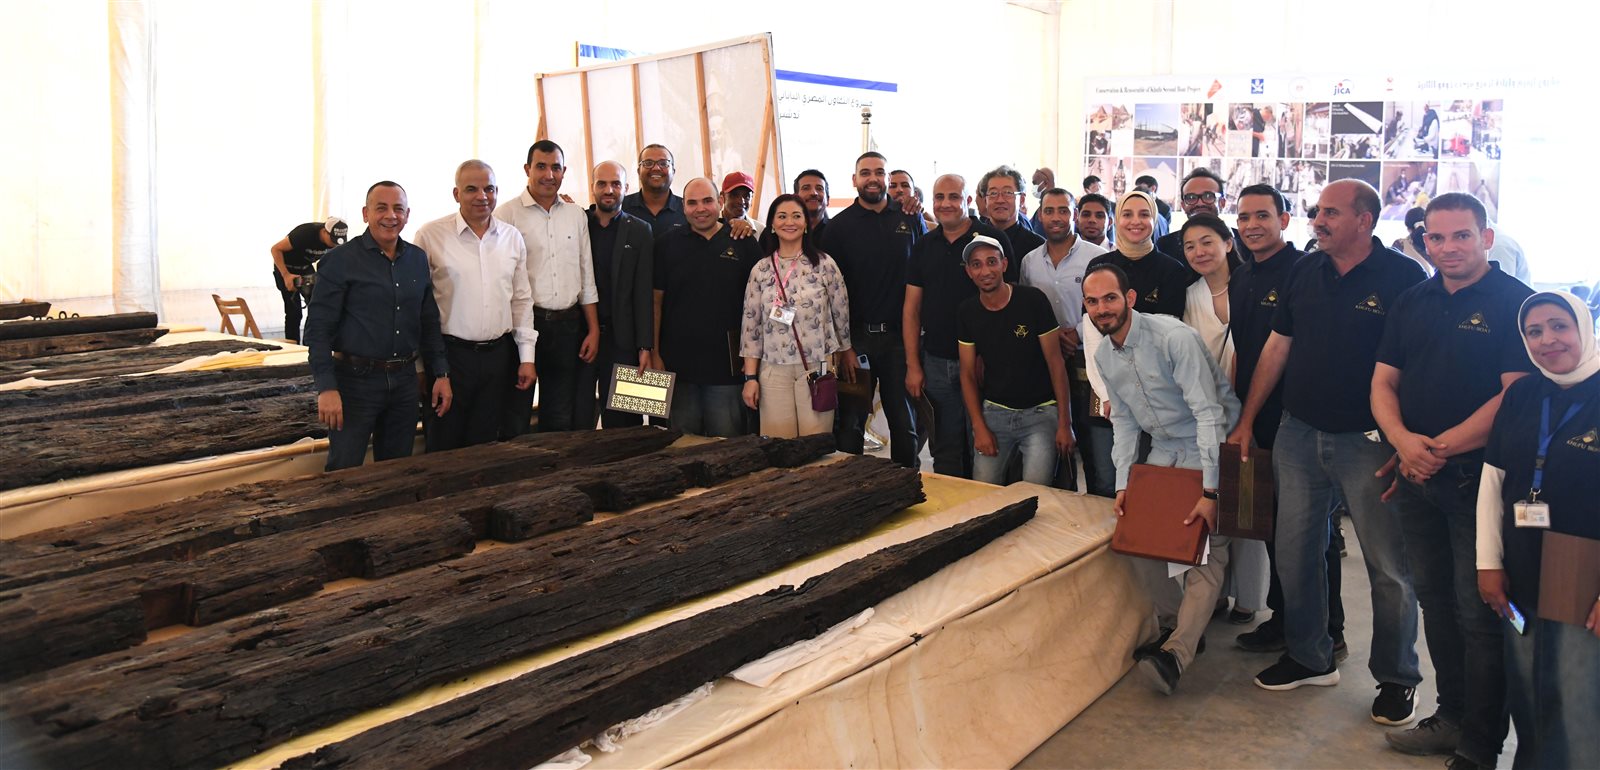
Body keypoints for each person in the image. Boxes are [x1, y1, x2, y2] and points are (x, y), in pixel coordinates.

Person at [1227, 180, 1426, 727]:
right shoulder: (1305, 270)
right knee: (1295, 552)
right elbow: (1277, 347)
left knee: (1388, 567)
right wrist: (1248, 420)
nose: (1318, 220)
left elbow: (1418, 364)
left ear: (1365, 219)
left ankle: (1398, 678)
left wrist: (1404, 438)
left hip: (1369, 442)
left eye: (1331, 212)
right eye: (1317, 211)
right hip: (1297, 433)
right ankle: (1311, 657)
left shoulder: (1404, 278)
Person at [1371, 193, 1533, 768]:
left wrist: (1433, 450)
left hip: (1479, 483)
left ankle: (1481, 743)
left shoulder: (1516, 302)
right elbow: (1383, 382)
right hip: (1418, 480)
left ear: (1486, 238)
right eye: (1435, 238)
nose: (1447, 248)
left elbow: (1514, 394)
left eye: (1461, 235)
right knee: (1436, 603)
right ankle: (1452, 715)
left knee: (1480, 612)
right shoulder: (1413, 300)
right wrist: (1403, 443)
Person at [1086, 263, 1240, 695]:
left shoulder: (1173, 338)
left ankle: (1177, 654)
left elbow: (1209, 414)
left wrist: (1211, 491)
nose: (1102, 309)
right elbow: (1124, 423)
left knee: (1205, 549)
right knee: (1140, 539)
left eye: (1110, 298)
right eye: (1092, 302)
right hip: (1163, 448)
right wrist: (1124, 485)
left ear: (1130, 298)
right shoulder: (1104, 356)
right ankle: (1176, 628)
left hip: (1208, 443)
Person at [1477, 291, 1600, 770]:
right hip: (1520, 564)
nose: (1547, 340)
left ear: (1583, 327)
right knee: (1525, 685)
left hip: (1584, 572)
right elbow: (1493, 481)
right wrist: (1488, 563)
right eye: (1534, 331)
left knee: (1576, 693)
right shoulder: (1523, 394)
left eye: (1559, 326)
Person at [1228, 184, 1348, 661]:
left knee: (1312, 532)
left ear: (1283, 219)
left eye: (1262, 215)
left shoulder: (1305, 271)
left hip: (1296, 420)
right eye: (1244, 217)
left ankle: (1330, 631)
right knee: (1273, 526)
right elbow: (1244, 348)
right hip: (1252, 418)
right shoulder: (1241, 277)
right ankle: (1284, 619)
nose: (1252, 225)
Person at [304, 181, 450, 471]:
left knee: (395, 470)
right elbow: (318, 330)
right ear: (365, 213)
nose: (390, 216)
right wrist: (326, 388)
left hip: (405, 382)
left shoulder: (417, 259)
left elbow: (428, 323)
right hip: (355, 383)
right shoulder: (339, 260)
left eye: (398, 209)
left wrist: (441, 373)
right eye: (381, 208)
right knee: (345, 470)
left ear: (407, 214)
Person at [412, 160, 536, 451]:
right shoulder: (430, 236)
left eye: (489, 189)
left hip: (500, 356)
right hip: (449, 357)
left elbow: (520, 299)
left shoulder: (512, 237)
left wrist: (527, 356)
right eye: (472, 189)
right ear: (456, 194)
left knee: (486, 443)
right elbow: (417, 306)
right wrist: (420, 365)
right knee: (444, 442)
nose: (482, 196)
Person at [904, 173, 1014, 478]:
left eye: (954, 197)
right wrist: (913, 365)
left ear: (967, 200)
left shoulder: (991, 240)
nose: (946, 204)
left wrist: (995, 357)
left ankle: (985, 503)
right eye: (939, 197)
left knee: (986, 443)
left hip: (983, 362)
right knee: (945, 446)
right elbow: (911, 310)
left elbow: (1009, 304)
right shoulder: (924, 246)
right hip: (937, 362)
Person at [823, 152, 924, 467]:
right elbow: (830, 294)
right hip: (857, 341)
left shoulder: (909, 218)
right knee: (850, 425)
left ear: (887, 179)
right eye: (865, 173)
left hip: (899, 340)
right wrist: (844, 346)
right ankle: (849, 487)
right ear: (854, 180)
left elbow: (923, 275)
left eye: (879, 172)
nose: (872, 178)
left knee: (904, 423)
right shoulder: (838, 227)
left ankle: (905, 483)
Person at [495, 140, 599, 435]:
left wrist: (592, 330)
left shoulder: (576, 215)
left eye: (556, 167)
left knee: (560, 414)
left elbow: (586, 275)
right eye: (541, 167)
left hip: (568, 326)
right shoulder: (506, 215)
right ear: (527, 169)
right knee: (516, 411)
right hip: (523, 325)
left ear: (564, 171)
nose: (548, 175)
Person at [958, 235, 1073, 485]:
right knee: (983, 490)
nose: (985, 271)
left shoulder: (1033, 300)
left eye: (991, 262)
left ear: (1004, 264)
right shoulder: (967, 311)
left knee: (1035, 492)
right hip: (994, 412)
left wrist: (1065, 424)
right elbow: (966, 373)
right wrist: (979, 427)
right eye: (976, 264)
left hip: (1040, 413)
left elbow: (1056, 364)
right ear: (968, 272)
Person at [653, 178, 762, 437]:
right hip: (678, 369)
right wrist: (654, 351)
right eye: (692, 203)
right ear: (683, 206)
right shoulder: (666, 244)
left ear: (720, 201)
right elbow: (655, 302)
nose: (700, 208)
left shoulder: (744, 241)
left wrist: (752, 368)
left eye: (707, 201)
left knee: (727, 446)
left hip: (728, 371)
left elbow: (759, 307)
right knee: (681, 445)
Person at [739, 194, 853, 438]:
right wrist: (750, 378)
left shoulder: (824, 265)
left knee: (815, 443)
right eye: (782, 216)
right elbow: (751, 327)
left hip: (816, 366)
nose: (789, 222)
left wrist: (844, 352)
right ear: (772, 224)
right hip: (773, 370)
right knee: (778, 443)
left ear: (806, 224)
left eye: (796, 216)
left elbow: (841, 313)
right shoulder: (760, 270)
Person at [1020, 188, 1110, 493]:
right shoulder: (1030, 261)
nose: (1056, 217)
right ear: (1040, 214)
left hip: (1092, 362)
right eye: (1049, 211)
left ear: (1074, 215)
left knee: (1096, 444)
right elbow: (1027, 309)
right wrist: (1053, 335)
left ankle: (1100, 508)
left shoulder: (1097, 257)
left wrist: (1077, 332)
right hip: (1046, 361)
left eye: (1063, 210)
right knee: (1058, 443)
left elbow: (1109, 306)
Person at [579, 160, 655, 428]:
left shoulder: (641, 229)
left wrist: (645, 347)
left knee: (627, 424)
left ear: (626, 188)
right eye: (602, 184)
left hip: (625, 342)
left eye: (616, 184)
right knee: (579, 419)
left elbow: (644, 292)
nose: (608, 190)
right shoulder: (578, 223)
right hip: (581, 338)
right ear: (592, 187)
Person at [1085, 190, 1190, 318]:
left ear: (1154, 219)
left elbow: (1168, 324)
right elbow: (1089, 318)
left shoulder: (1172, 270)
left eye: (1144, 215)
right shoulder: (1098, 265)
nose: (1135, 221)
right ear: (1117, 219)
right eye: (1127, 214)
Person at [1156, 167, 1253, 267]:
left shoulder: (1245, 242)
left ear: (1222, 202)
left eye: (1208, 196)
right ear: (1183, 205)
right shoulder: (1165, 245)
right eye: (1191, 198)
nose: (1200, 203)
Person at [269, 217, 346, 342]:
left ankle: (310, 343)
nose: (334, 244)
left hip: (305, 267)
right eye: (332, 240)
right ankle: (293, 344)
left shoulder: (336, 244)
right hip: (286, 268)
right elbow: (275, 249)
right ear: (324, 231)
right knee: (294, 312)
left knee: (317, 307)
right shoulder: (305, 233)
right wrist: (286, 275)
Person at [980, 165, 1045, 261]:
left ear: (1022, 199)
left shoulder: (1037, 247)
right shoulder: (973, 239)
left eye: (1008, 192)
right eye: (993, 193)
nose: (1000, 200)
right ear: (985, 201)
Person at [622, 144, 686, 234]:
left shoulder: (687, 210)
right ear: (639, 171)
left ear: (673, 172)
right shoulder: (621, 208)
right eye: (648, 163)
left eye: (663, 163)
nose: (656, 168)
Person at [794, 169, 831, 243]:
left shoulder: (839, 230)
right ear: (795, 198)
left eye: (819, 188)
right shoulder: (784, 231)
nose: (814, 193)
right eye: (806, 188)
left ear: (828, 199)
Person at [1029, 167, 1056, 233]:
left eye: (1035, 183)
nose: (1033, 187)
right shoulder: (1042, 208)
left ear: (1046, 183)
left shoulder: (1050, 209)